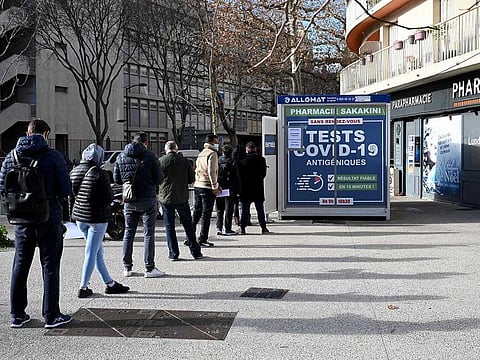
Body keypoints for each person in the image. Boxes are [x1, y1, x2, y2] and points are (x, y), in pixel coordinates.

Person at [0, 119, 72, 328]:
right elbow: (65, 190)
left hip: (21, 218)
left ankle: (17, 314)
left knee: (20, 264)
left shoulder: (10, 158)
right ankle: (51, 315)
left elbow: (3, 187)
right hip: (48, 216)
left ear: (27, 132)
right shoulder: (53, 157)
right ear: (46, 133)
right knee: (50, 264)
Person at [70, 143, 130, 298]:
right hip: (97, 217)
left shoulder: (74, 171)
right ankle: (83, 287)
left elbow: (72, 194)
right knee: (92, 252)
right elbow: (108, 197)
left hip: (80, 217)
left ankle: (110, 283)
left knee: (96, 251)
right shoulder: (100, 173)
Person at [114, 132, 164, 278]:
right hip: (147, 197)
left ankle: (127, 267)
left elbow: (117, 178)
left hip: (129, 199)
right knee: (148, 234)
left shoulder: (121, 156)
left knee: (129, 233)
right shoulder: (150, 156)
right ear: (145, 142)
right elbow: (159, 178)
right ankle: (149, 268)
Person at [158, 141, 203, 260]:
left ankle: (173, 253)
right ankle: (195, 251)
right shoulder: (185, 161)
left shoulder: (161, 161)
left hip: (166, 198)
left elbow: (157, 179)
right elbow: (190, 179)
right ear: (176, 149)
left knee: (169, 226)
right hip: (182, 196)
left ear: (166, 149)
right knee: (188, 225)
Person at [192, 133, 221, 247]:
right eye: (217, 141)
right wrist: (215, 186)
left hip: (198, 185)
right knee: (206, 214)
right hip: (207, 186)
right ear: (213, 141)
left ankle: (190, 236)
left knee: (196, 212)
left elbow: (197, 169)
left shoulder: (201, 153)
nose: (218, 143)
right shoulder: (212, 154)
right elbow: (211, 171)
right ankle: (202, 238)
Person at [237, 141, 269, 234]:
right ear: (255, 149)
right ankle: (263, 227)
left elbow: (239, 176)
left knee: (245, 210)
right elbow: (264, 174)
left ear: (247, 149)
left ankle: (243, 228)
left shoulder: (241, 161)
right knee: (260, 209)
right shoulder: (261, 160)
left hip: (245, 189)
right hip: (258, 188)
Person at [215, 144, 240, 236]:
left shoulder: (218, 161)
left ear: (222, 152)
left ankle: (219, 227)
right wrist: (238, 190)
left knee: (219, 209)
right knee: (229, 209)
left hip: (219, 187)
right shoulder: (232, 162)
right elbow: (236, 177)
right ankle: (228, 228)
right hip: (230, 188)